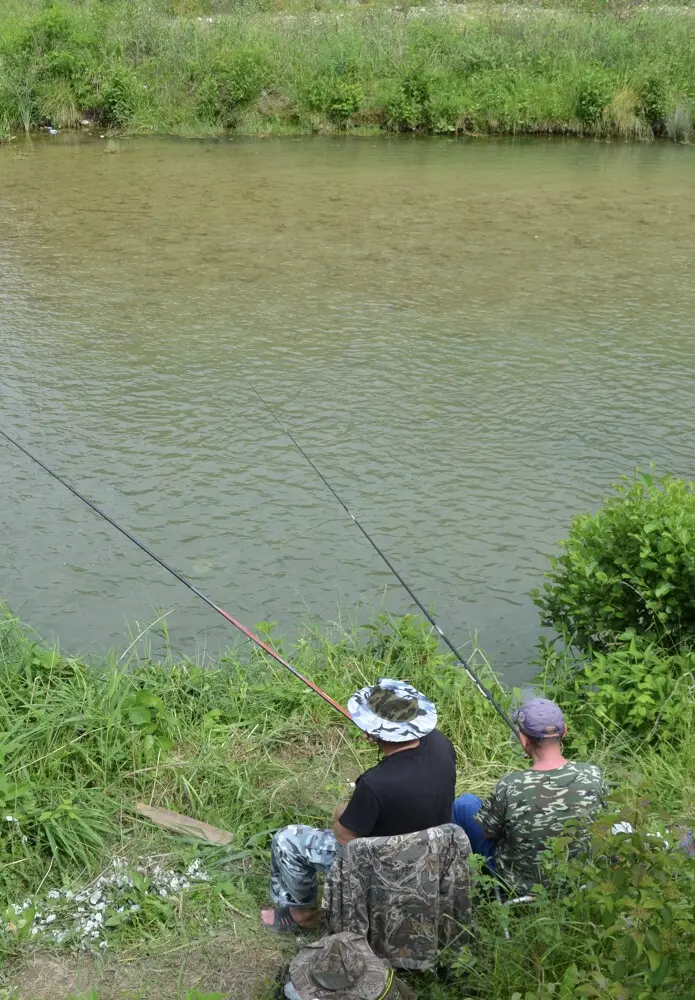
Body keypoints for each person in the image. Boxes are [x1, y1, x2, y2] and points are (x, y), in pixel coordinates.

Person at [261, 677, 456, 933]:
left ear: (375, 732)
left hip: (390, 868)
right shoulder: (442, 745)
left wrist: (343, 813)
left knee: (288, 840)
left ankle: (301, 915)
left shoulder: (376, 783)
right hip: (432, 855)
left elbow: (344, 837)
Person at [452, 697, 608, 894]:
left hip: (518, 884)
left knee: (464, 805)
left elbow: (489, 833)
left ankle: (460, 884)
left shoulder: (510, 785)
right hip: (578, 878)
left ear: (523, 739)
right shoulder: (593, 775)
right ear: (565, 731)